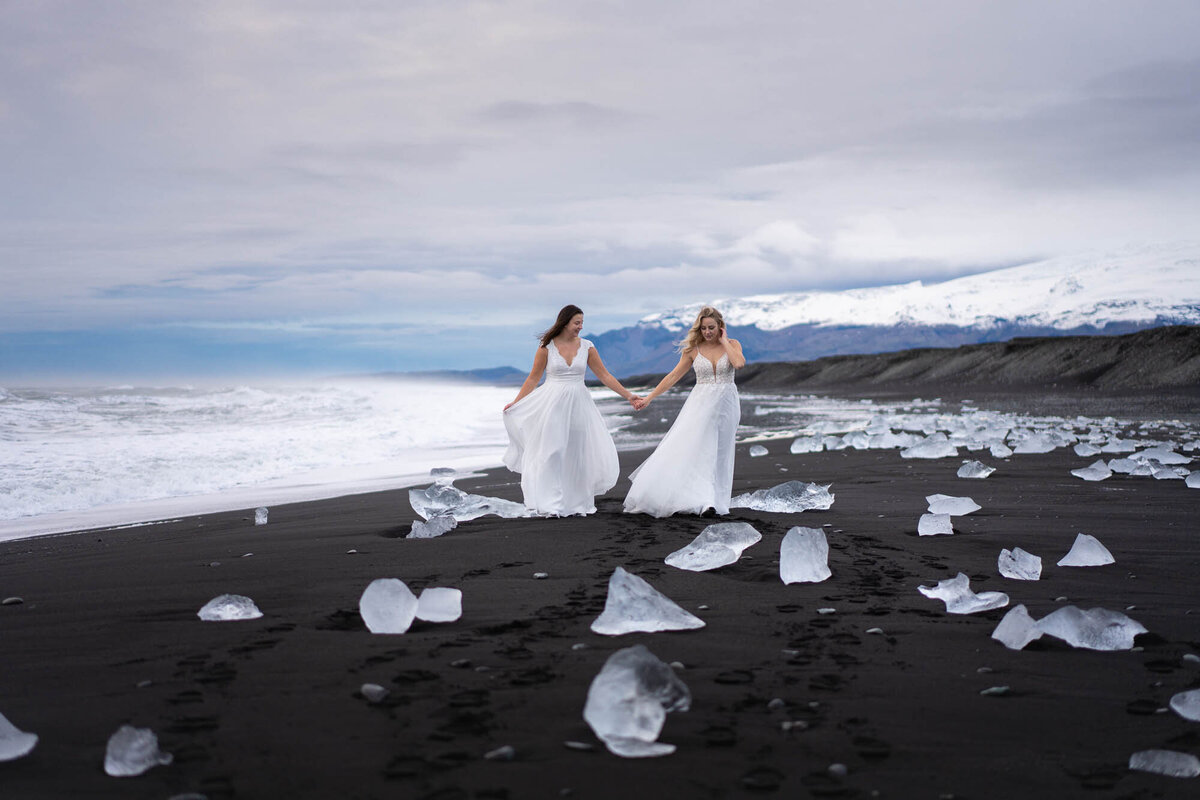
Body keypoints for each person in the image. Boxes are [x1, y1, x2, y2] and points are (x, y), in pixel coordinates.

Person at [503, 304, 640, 516]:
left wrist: (628, 395)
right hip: (552, 404)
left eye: (582, 323)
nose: (580, 327)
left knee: (577, 451)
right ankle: (551, 503)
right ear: (565, 322)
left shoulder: (587, 347)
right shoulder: (546, 347)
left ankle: (576, 504)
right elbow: (533, 378)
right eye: (577, 323)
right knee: (553, 451)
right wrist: (517, 403)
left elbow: (604, 376)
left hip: (579, 404)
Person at [623, 306, 745, 517]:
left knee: (722, 453)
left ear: (720, 327)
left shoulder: (733, 345)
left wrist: (724, 341)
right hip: (701, 404)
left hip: (728, 404)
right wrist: (649, 398)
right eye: (704, 328)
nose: (707, 332)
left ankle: (717, 500)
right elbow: (672, 376)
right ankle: (705, 502)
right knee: (703, 450)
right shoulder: (693, 350)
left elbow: (739, 363)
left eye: (712, 328)